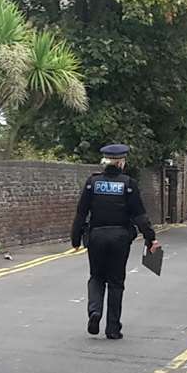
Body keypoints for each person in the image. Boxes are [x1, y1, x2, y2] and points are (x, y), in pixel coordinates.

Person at [72, 143, 161, 340]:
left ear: (105, 162)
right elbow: (140, 216)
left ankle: (94, 312)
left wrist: (75, 238)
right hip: (120, 238)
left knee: (96, 277)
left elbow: (81, 212)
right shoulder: (128, 184)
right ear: (121, 163)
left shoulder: (92, 183)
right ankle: (113, 328)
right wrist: (150, 238)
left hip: (96, 237)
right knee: (115, 282)